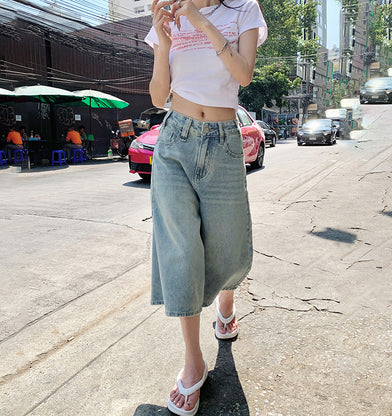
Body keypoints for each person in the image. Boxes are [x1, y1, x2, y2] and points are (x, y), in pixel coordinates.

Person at [146, 0, 267, 414]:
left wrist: (199, 21)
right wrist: (163, 42)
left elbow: (244, 75)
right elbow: (159, 94)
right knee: (180, 247)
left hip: (223, 141)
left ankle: (226, 302)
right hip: (175, 140)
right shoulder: (168, 16)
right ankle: (192, 360)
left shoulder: (244, 10)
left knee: (227, 246)